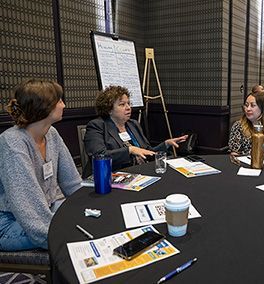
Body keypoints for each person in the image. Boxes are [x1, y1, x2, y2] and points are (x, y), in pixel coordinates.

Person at [0, 79, 81, 251]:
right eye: (59, 100)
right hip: (10, 222)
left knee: (88, 221)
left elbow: (72, 183)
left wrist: (86, 209)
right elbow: (27, 207)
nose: (64, 105)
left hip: (47, 209)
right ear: (44, 107)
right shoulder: (12, 142)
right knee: (76, 234)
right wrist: (56, 236)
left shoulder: (51, 133)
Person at [83, 86, 187, 178]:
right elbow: (99, 156)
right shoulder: (97, 125)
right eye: (122, 104)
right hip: (108, 178)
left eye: (129, 103)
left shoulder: (133, 124)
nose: (128, 108)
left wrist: (166, 144)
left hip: (138, 175)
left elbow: (147, 151)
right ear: (109, 109)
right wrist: (129, 150)